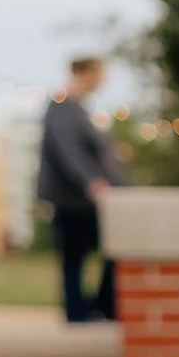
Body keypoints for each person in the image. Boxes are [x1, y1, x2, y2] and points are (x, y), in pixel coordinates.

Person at [36, 56, 119, 323]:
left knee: (105, 253)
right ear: (84, 73)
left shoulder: (79, 108)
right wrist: (92, 181)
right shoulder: (63, 106)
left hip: (84, 200)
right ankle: (81, 313)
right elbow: (69, 152)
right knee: (77, 258)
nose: (102, 80)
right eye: (99, 74)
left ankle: (95, 308)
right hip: (72, 200)